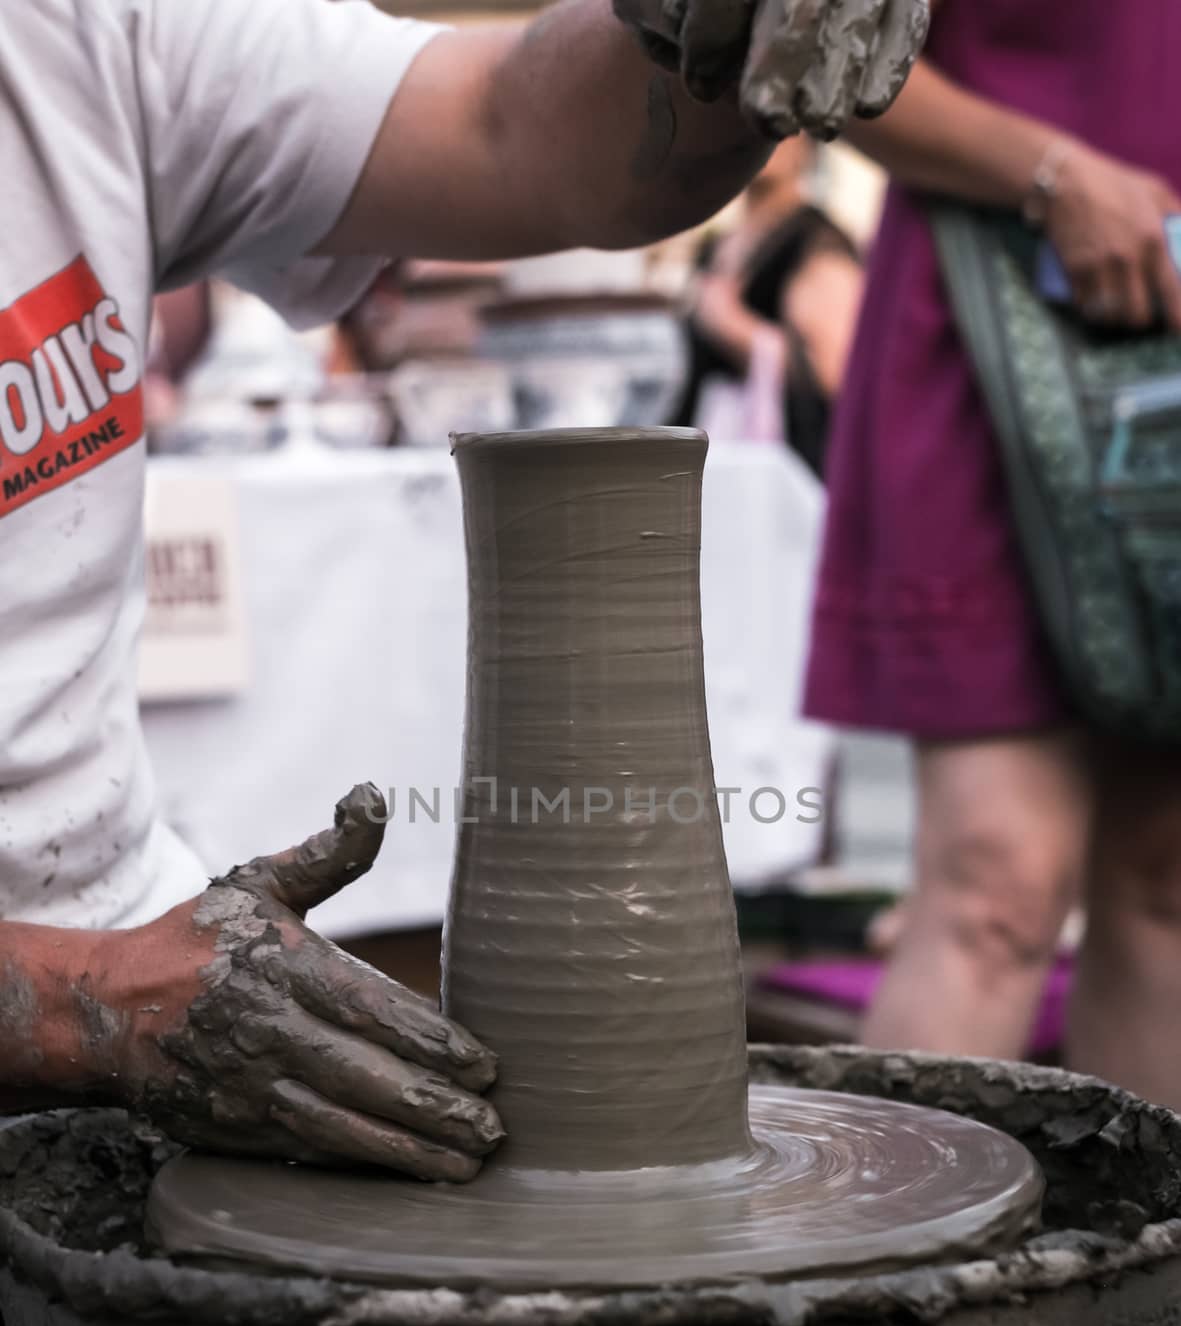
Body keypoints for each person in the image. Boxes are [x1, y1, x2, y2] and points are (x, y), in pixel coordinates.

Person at [0, 0, 925, 1175]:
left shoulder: (80, 28)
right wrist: (78, 1000)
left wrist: (693, 39)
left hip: (127, 940)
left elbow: (509, 127)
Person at [802, 0, 1181, 1106]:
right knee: (990, 888)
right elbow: (817, 59)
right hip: (989, 328)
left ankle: (1147, 1270)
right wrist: (1052, 174)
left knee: (1164, 880)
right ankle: (878, 1271)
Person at [674, 139, 864, 474]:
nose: (759, 131)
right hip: (712, 473)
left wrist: (737, 329)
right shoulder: (715, 247)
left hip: (786, 484)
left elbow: (840, 377)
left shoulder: (817, 244)